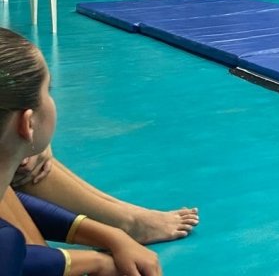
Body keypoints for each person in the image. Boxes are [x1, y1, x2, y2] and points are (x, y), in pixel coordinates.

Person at [0, 28, 162, 275]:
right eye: (48, 90)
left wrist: (110, 237)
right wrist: (96, 261)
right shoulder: (7, 245)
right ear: (28, 123)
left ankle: (124, 222)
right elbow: (12, 258)